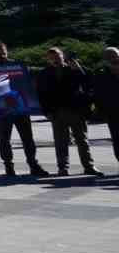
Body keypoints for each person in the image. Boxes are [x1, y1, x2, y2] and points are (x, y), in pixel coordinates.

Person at [36, 48, 102, 177]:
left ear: (63, 56)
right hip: (57, 112)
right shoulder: (44, 73)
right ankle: (62, 168)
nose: (55, 59)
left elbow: (88, 84)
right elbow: (41, 95)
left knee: (82, 140)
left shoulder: (74, 69)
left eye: (58, 56)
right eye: (52, 57)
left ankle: (89, 166)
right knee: (60, 142)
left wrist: (79, 70)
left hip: (76, 111)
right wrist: (46, 111)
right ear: (48, 59)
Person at [0, 42, 47, 177]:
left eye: (3, 51)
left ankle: (33, 164)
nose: (2, 54)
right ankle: (9, 166)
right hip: (2, 110)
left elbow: (28, 82)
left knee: (27, 138)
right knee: (4, 139)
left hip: (21, 109)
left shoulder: (18, 65)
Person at [93, 47, 119, 169]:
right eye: (108, 56)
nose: (112, 58)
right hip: (113, 114)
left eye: (114, 55)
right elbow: (98, 95)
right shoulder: (101, 75)